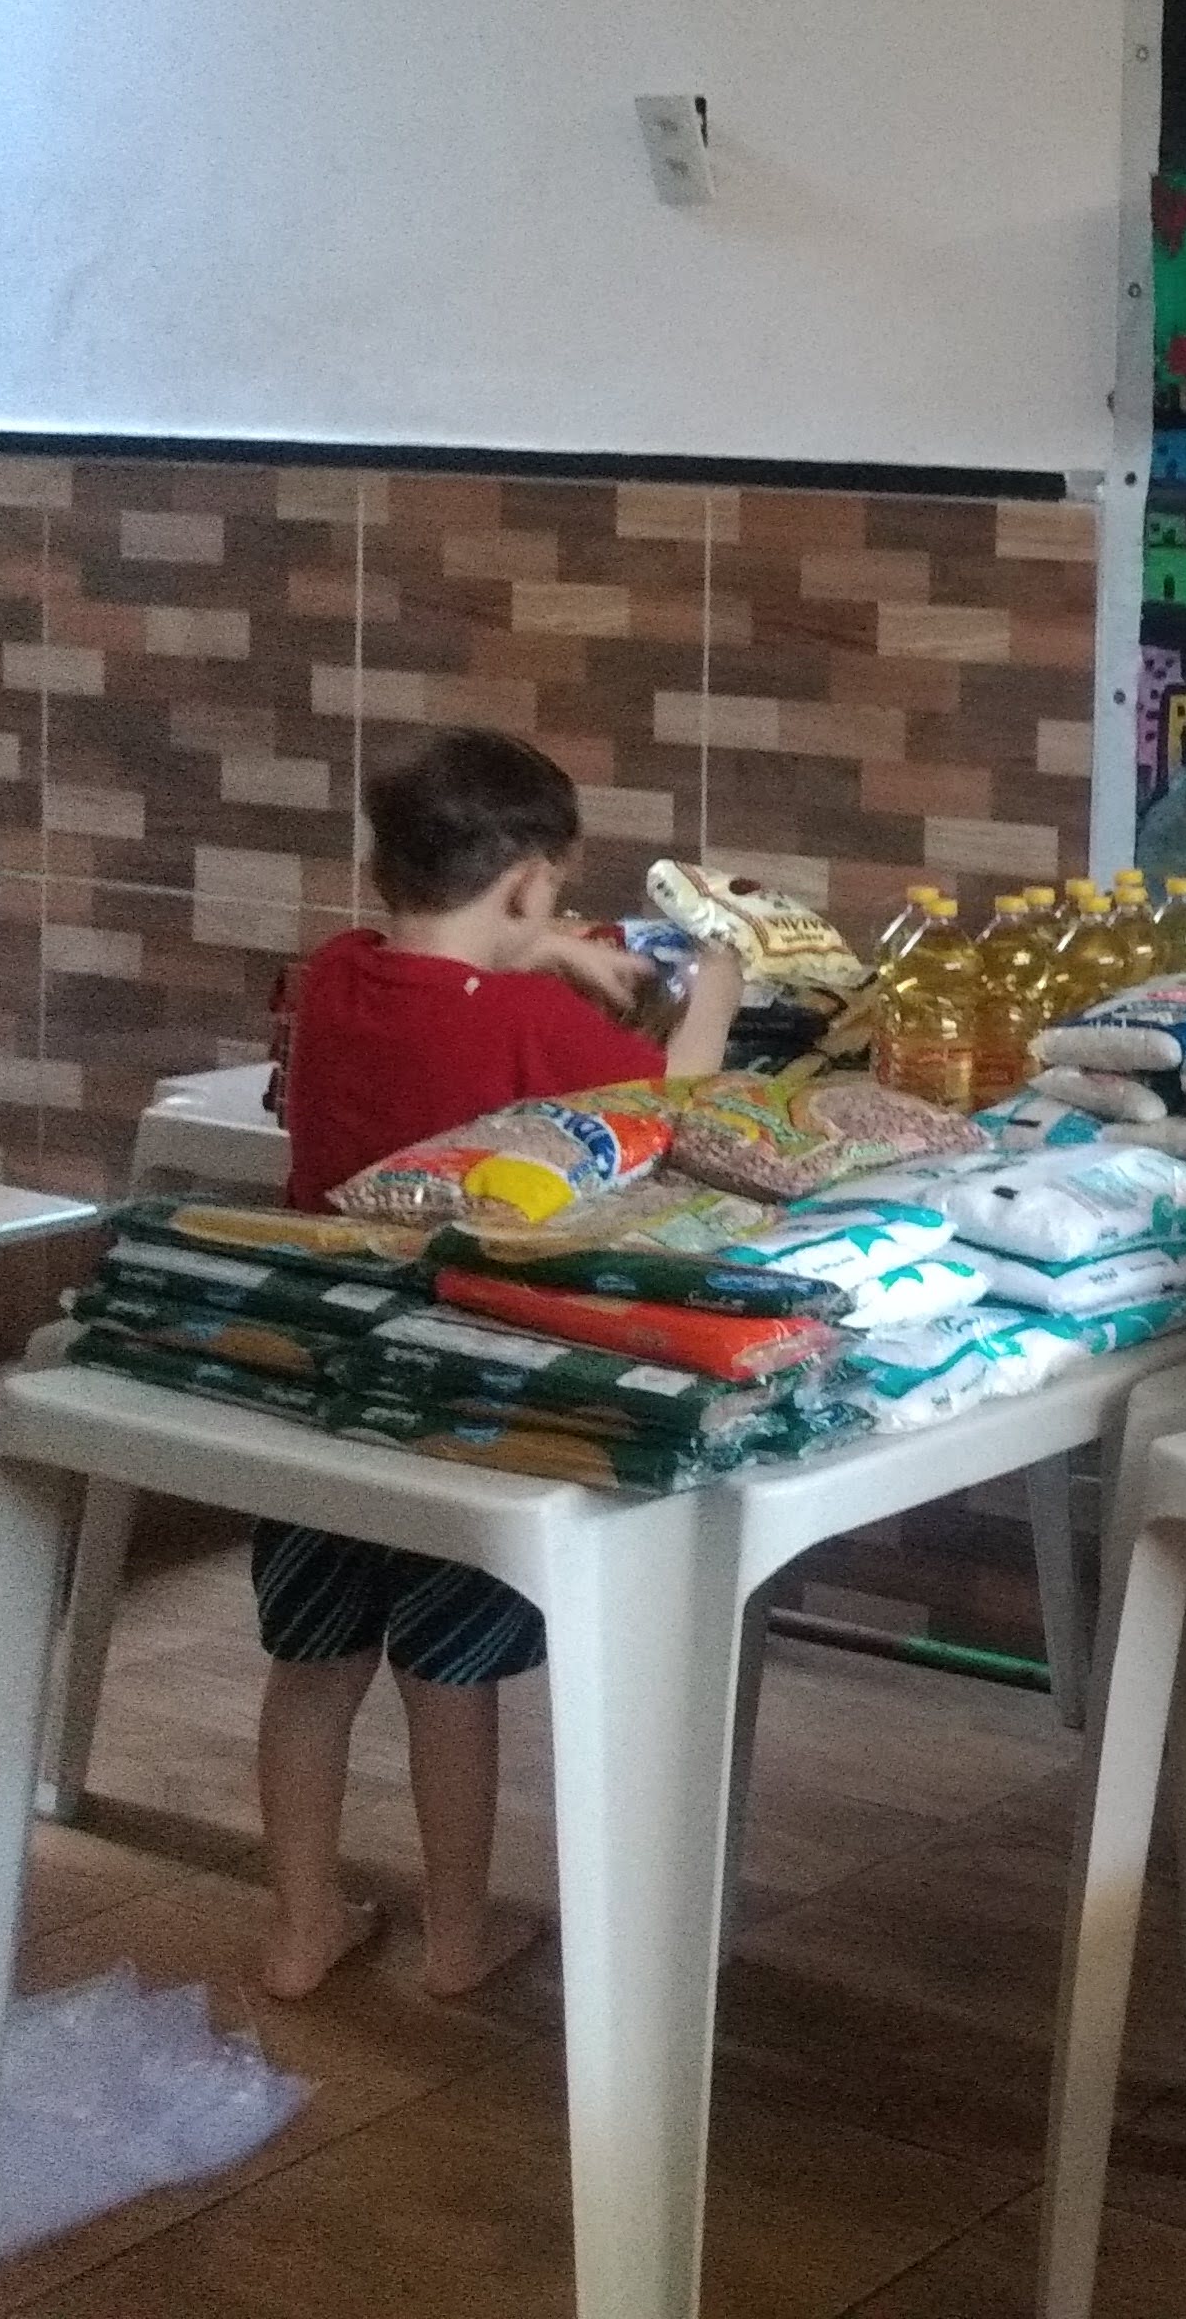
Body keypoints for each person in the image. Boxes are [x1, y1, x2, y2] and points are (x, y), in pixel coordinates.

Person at [255, 728, 739, 1996]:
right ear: (528, 880)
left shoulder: (334, 980)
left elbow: (441, 965)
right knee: (447, 1673)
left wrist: (546, 940)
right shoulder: (532, 1024)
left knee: (311, 1666)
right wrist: (720, 990)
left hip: (319, 1372)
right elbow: (676, 1109)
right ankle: (456, 1939)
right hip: (465, 1389)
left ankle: (302, 1930)